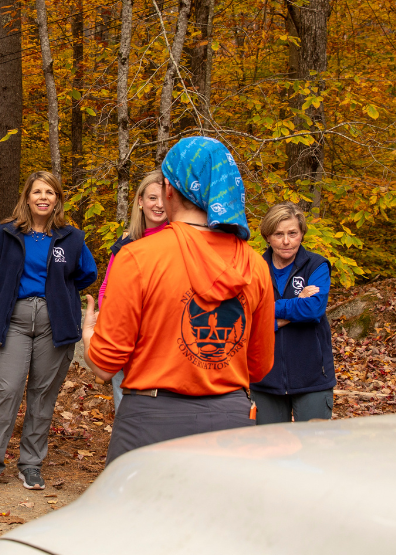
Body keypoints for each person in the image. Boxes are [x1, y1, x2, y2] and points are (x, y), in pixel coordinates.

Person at [82, 135, 275, 464]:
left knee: (140, 516)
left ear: (170, 189)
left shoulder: (138, 257)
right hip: (231, 423)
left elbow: (103, 365)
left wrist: (89, 334)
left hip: (150, 423)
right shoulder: (255, 265)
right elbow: (258, 367)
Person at [0, 172, 97, 492]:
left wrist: (57, 293)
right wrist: (5, 287)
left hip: (54, 325)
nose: (43, 197)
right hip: (13, 320)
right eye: (37, 191)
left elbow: (86, 274)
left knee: (42, 396)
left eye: (50, 192)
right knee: (7, 390)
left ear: (57, 199)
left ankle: (30, 464)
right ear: (27, 197)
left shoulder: (71, 238)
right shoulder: (5, 234)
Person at [251, 203, 335, 423]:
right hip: (265, 378)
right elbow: (246, 315)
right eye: (279, 234)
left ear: (302, 235)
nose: (286, 241)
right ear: (267, 236)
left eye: (292, 233)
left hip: (313, 378)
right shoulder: (254, 268)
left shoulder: (316, 265)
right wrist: (296, 304)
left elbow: (313, 309)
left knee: (313, 452)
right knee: (268, 453)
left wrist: (269, 311)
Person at [96, 170, 168, 410]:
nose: (159, 205)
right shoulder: (126, 244)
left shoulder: (177, 242)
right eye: (152, 198)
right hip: (126, 341)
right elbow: (107, 288)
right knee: (125, 411)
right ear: (139, 201)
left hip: (162, 343)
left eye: (165, 198)